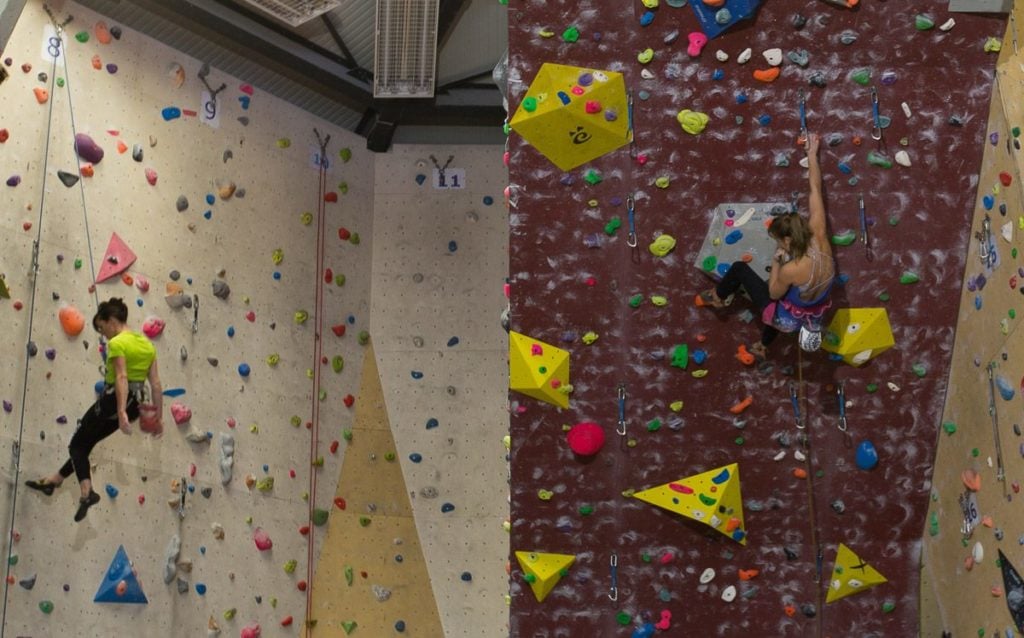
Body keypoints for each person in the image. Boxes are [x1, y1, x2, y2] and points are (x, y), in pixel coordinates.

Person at [697, 132, 835, 359]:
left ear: (788, 241)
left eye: (779, 240)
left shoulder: (794, 268)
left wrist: (777, 261)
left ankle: (719, 297)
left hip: (789, 317)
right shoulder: (819, 233)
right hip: (814, 310)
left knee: (742, 270)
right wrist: (812, 155)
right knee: (787, 299)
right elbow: (815, 189)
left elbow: (773, 292)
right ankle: (762, 346)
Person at [25, 297, 163, 521]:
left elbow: (121, 377)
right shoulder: (148, 345)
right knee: (86, 443)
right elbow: (156, 384)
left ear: (111, 321)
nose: (103, 334)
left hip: (115, 400)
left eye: (101, 327)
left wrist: (120, 411)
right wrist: (158, 417)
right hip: (136, 403)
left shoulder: (117, 343)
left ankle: (86, 492)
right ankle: (55, 480)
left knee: (76, 444)